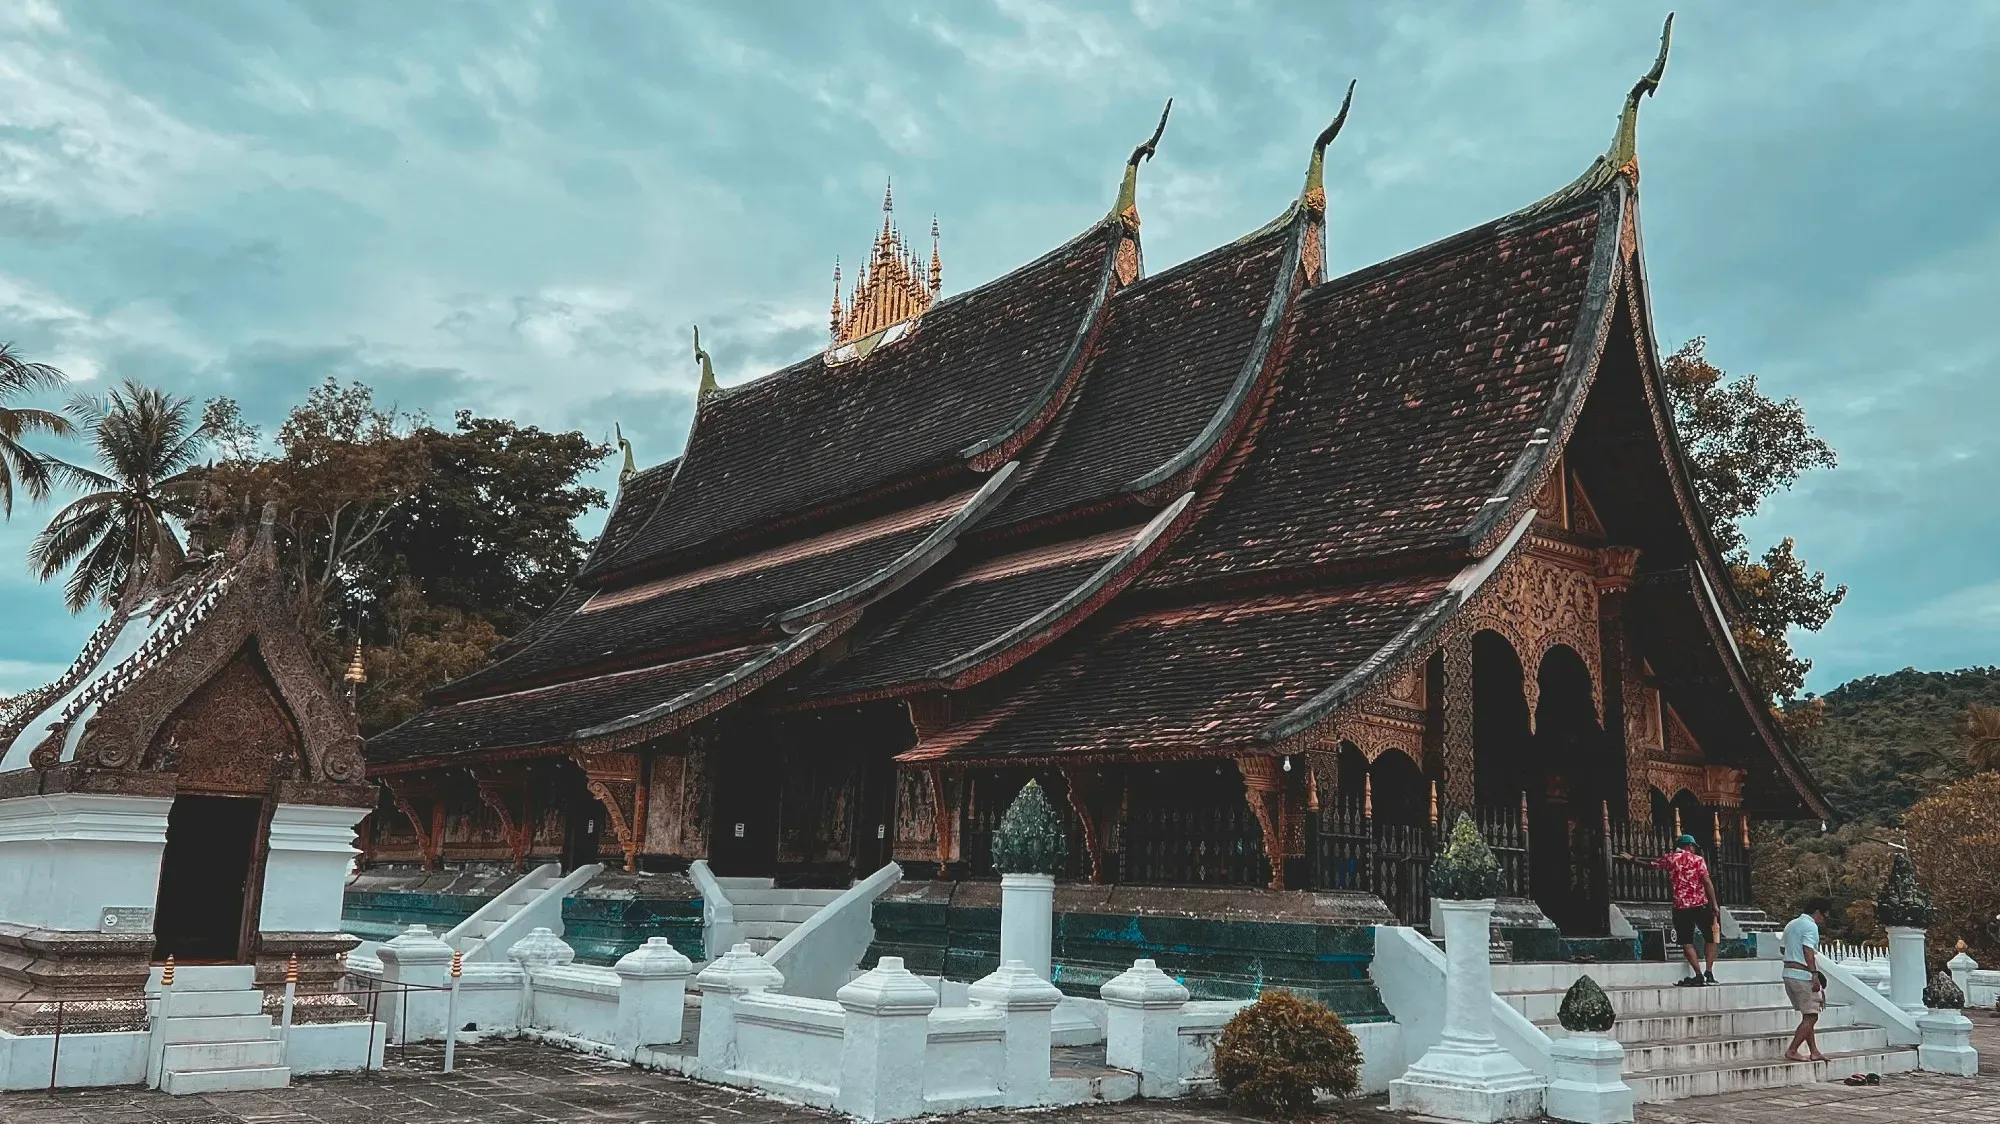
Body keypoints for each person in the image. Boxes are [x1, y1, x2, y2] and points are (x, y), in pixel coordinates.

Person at [1618, 834, 1721, 985]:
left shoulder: (1671, 858)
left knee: (1686, 941)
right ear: (1688, 846)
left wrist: (1633, 859)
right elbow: (1706, 881)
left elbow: (1651, 865)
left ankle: (1698, 974)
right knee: (1711, 938)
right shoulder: (1698, 860)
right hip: (1700, 905)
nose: (1693, 849)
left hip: (1681, 907)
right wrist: (1714, 904)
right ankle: (1709, 972)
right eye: (1693, 846)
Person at [1781, 898, 1831, 1063]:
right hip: (1802, 975)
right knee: (1812, 1017)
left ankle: (1814, 1050)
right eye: (1824, 916)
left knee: (1808, 1016)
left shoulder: (1791, 924)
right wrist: (1814, 974)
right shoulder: (1810, 926)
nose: (1823, 920)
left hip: (1789, 972)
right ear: (1817, 913)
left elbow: (1784, 948)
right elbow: (1807, 950)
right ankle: (1793, 1049)